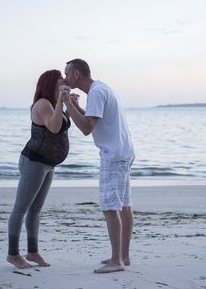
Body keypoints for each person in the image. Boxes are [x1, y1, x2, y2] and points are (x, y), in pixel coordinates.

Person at [63, 59, 135, 273]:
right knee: (124, 206)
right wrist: (75, 106)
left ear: (76, 74)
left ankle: (117, 261)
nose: (65, 78)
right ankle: (123, 256)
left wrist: (67, 103)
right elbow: (95, 119)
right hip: (123, 152)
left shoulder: (96, 92)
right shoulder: (101, 88)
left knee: (110, 207)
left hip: (113, 155)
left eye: (67, 74)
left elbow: (86, 128)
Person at [7, 69, 72, 269]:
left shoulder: (53, 104)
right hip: (34, 162)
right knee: (21, 209)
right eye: (60, 83)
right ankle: (13, 254)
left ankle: (33, 252)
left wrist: (69, 105)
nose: (63, 85)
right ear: (51, 84)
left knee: (36, 210)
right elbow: (53, 127)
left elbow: (62, 124)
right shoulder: (43, 104)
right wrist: (62, 99)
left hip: (48, 164)